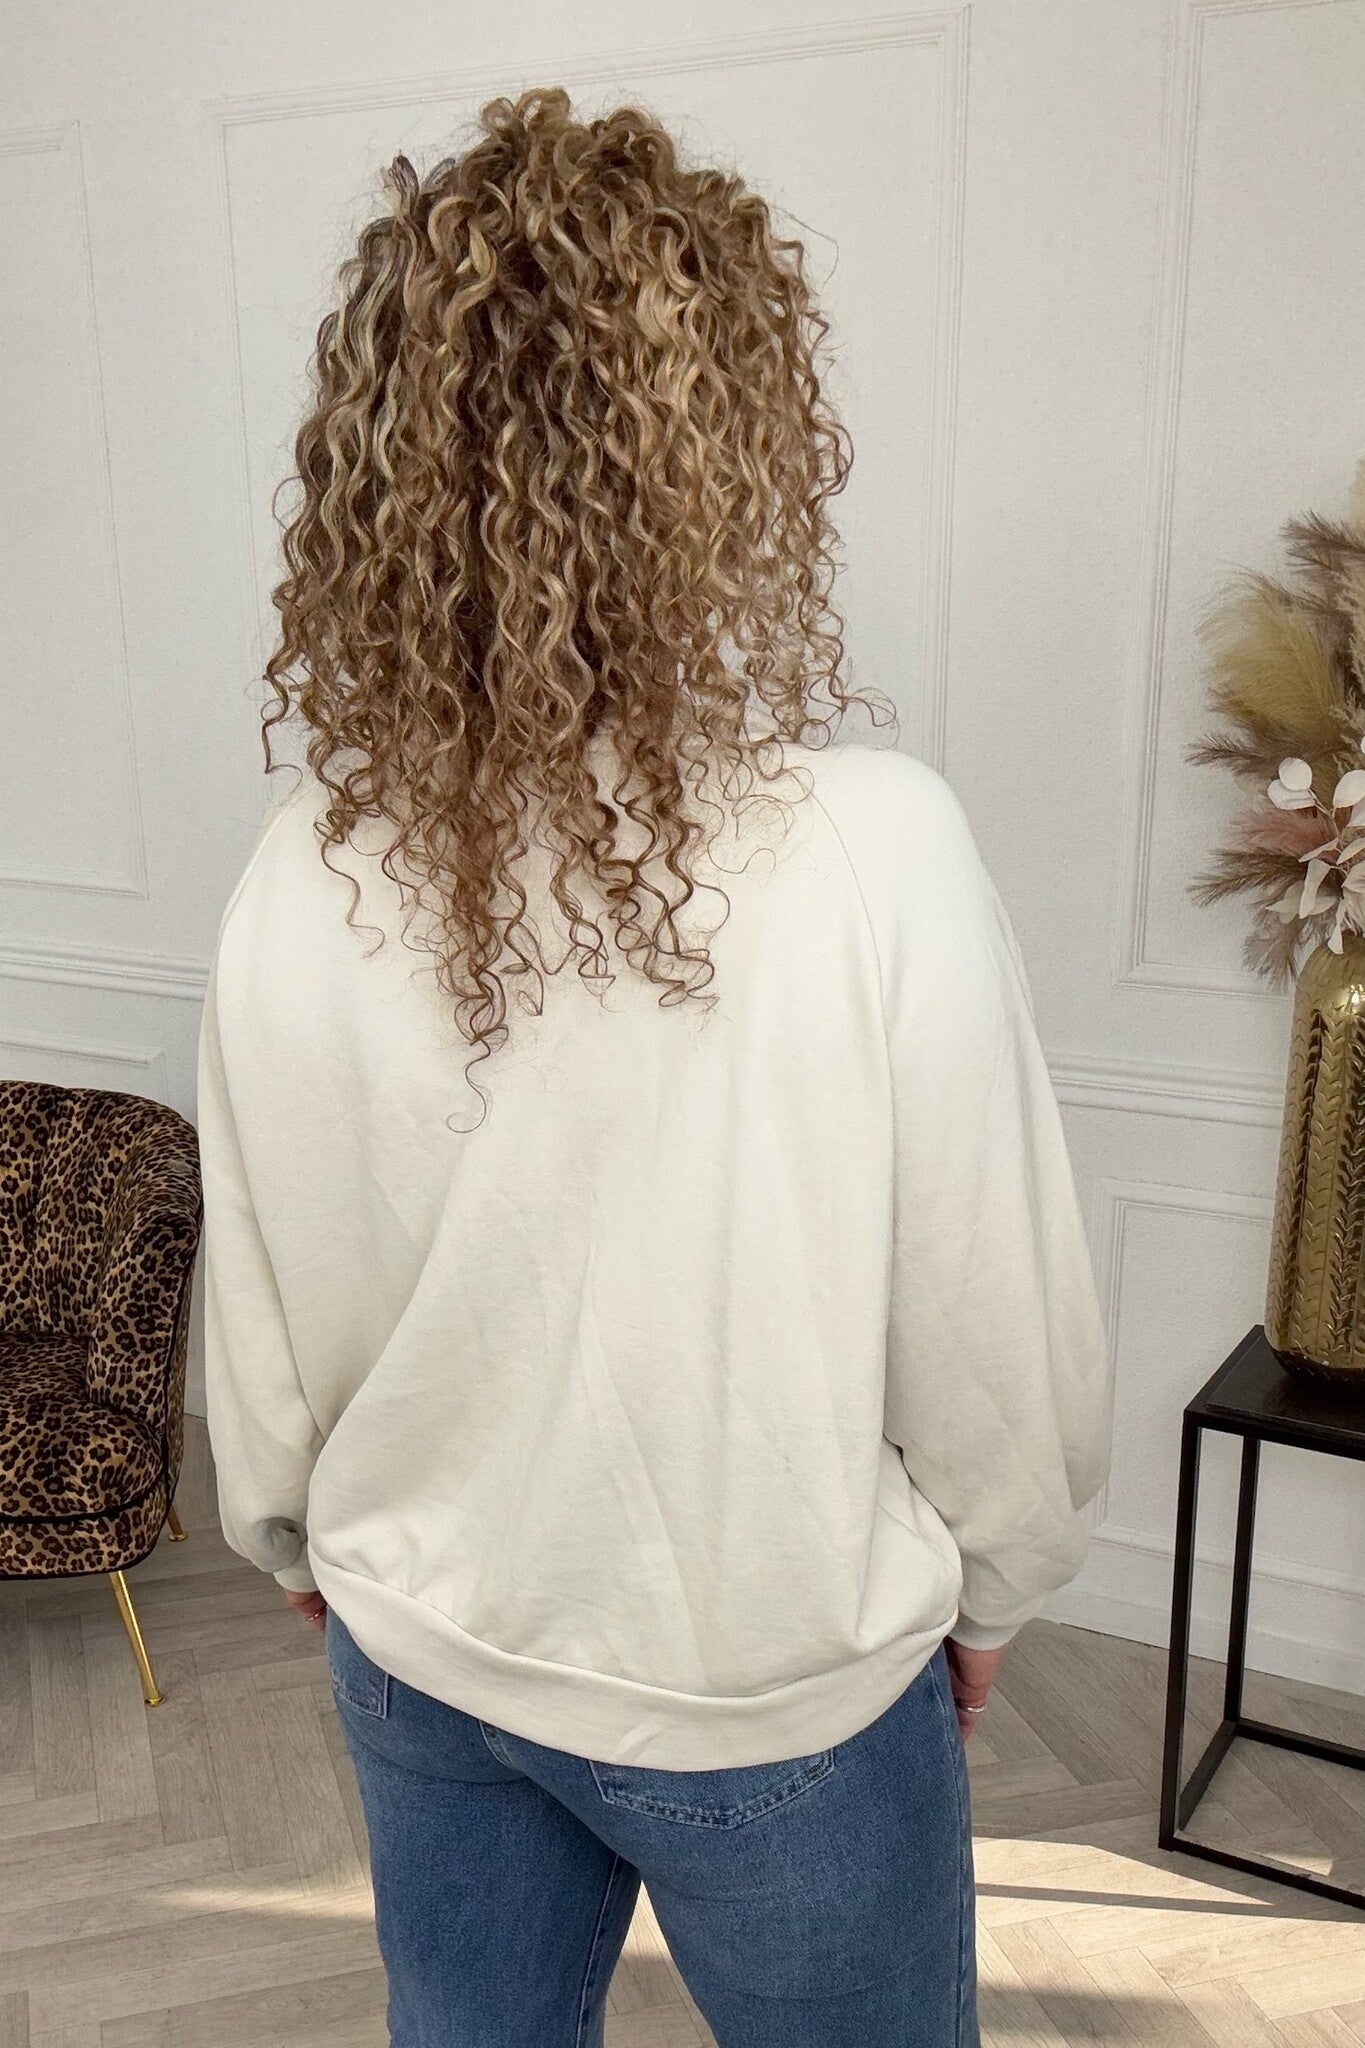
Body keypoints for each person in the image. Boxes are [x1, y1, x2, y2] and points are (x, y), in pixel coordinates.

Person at [198, 84, 1112, 2048]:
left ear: (383, 466)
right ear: (727, 453)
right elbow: (985, 1311)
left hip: (419, 1644)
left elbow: (263, 1288)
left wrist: (295, 1536)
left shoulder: (302, 863)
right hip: (766, 1691)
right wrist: (991, 1588)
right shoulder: (871, 845)